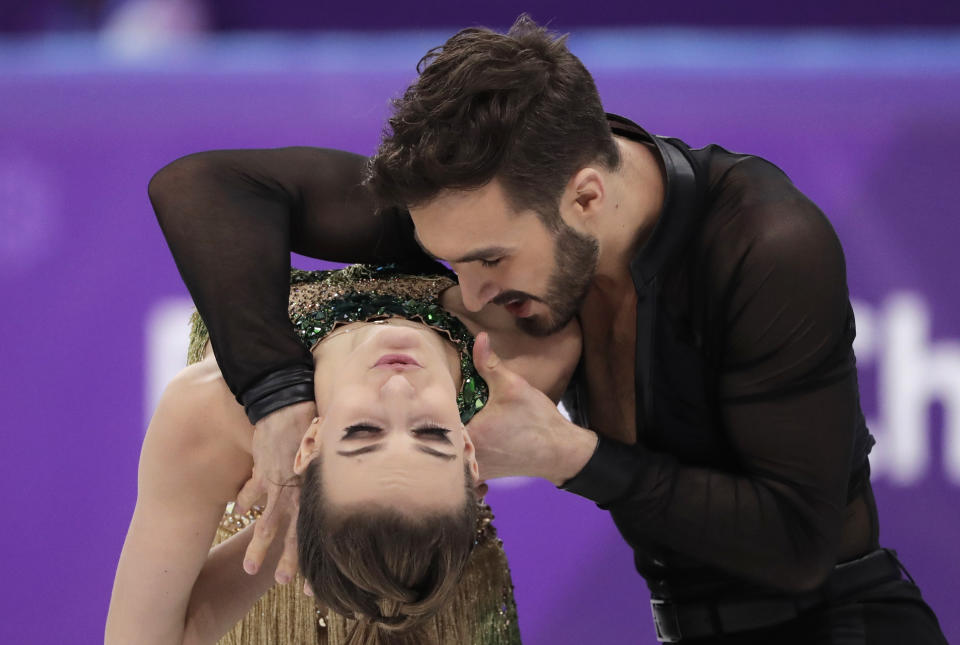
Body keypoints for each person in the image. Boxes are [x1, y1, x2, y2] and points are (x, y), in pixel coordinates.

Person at [146, 15, 949, 645]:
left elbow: (799, 543)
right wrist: (277, 387)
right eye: (450, 259)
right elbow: (203, 187)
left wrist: (568, 455)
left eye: (489, 259)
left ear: (588, 198)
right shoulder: (495, 216)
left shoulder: (766, 243)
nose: (470, 290)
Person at [106, 264, 581, 645]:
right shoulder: (522, 357)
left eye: (363, 432)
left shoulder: (216, 407)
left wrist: (305, 522)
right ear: (469, 452)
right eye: (432, 436)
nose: (397, 391)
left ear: (309, 444)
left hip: (400, 589)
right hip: (285, 606)